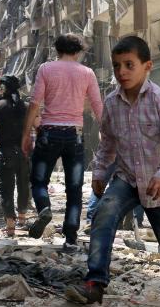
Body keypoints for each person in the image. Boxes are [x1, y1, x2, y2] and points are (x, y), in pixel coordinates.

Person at [65, 35, 160, 307]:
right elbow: (108, 144)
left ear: (147, 66)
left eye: (129, 65)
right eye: (117, 66)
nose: (122, 72)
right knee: (103, 214)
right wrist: (100, 172)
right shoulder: (112, 103)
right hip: (126, 179)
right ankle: (95, 283)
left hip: (158, 184)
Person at [23, 33, 103, 248]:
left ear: (57, 50)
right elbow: (97, 105)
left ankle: (44, 209)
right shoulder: (87, 73)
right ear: (78, 51)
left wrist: (26, 134)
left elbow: (34, 103)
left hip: (48, 133)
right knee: (74, 188)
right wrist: (107, 133)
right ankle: (70, 237)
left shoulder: (46, 69)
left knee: (39, 181)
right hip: (74, 136)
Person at [0, 75, 30, 234]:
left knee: (6, 188)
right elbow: (37, 125)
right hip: (24, 152)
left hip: (6, 152)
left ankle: (10, 225)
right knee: (24, 184)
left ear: (4, 89)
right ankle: (22, 218)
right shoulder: (25, 106)